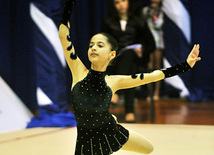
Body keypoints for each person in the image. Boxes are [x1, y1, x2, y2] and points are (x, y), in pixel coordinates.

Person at [59, 0, 201, 154]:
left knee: (148, 148)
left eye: (100, 45)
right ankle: (111, 118)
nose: (93, 47)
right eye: (91, 45)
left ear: (111, 54)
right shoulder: (78, 70)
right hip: (85, 142)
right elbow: (63, 35)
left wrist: (185, 66)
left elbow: (152, 76)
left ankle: (111, 119)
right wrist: (69, 4)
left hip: (111, 132)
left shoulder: (114, 81)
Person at [101, 0, 155, 122]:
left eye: (124, 1)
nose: (121, 5)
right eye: (117, 2)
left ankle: (117, 92)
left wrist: (142, 50)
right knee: (129, 70)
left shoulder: (138, 21)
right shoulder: (108, 22)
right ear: (113, 5)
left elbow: (151, 45)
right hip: (114, 61)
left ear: (129, 3)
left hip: (136, 60)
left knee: (130, 56)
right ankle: (129, 111)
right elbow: (103, 44)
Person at [142, 0, 164, 100]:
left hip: (158, 41)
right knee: (149, 66)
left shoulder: (161, 11)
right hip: (148, 41)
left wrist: (154, 15)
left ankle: (157, 92)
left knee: (157, 67)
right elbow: (142, 23)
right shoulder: (146, 10)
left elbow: (158, 24)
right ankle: (149, 92)